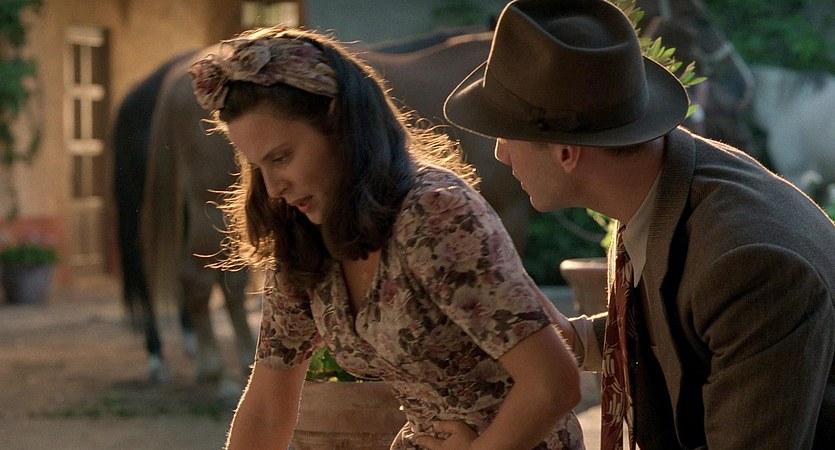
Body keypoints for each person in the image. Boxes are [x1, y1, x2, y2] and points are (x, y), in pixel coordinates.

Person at [444, 0, 835, 449]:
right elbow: (685, 327)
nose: (500, 153)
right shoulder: (663, 179)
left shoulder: (748, 265)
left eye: (506, 134)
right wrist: (571, 339)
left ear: (566, 153)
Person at [188, 25, 586, 450]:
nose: (272, 188)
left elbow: (553, 385)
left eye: (282, 157)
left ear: (338, 123)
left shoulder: (435, 214)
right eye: (258, 166)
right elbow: (267, 410)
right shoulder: (304, 236)